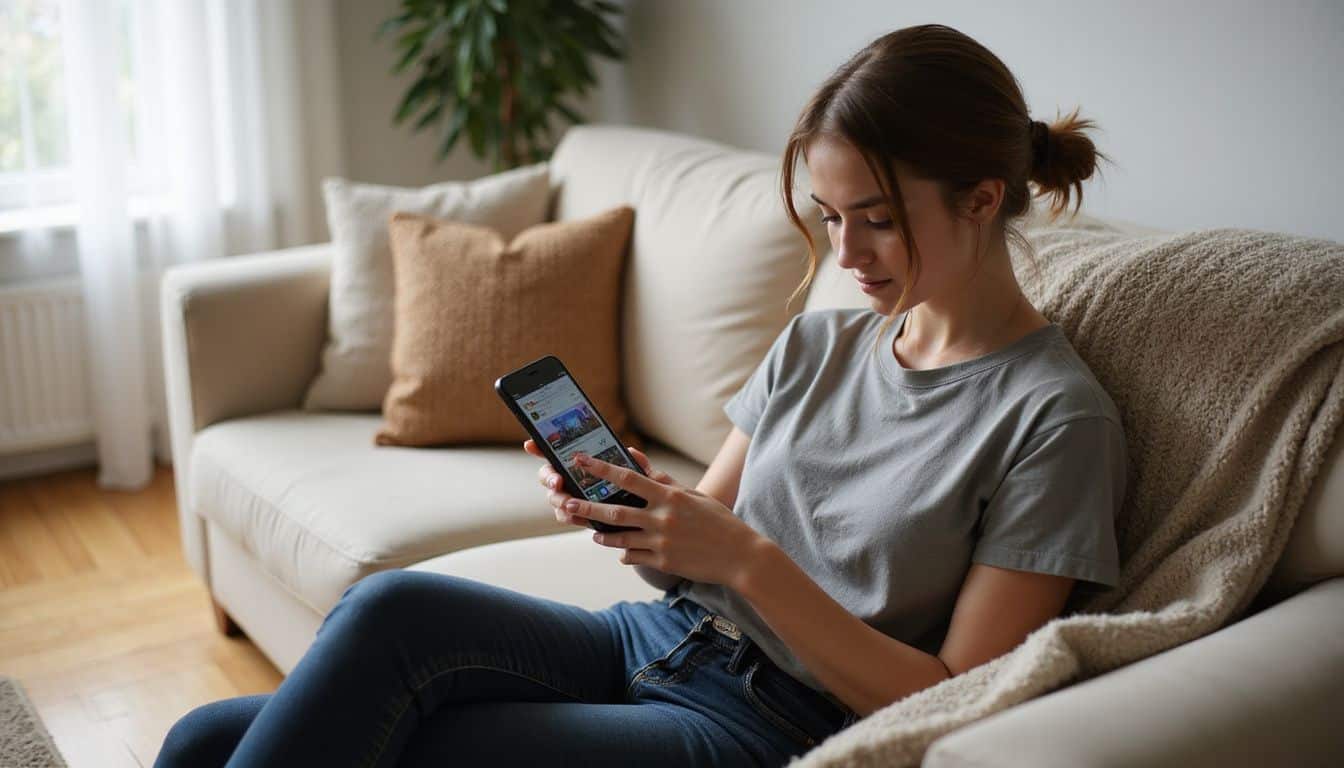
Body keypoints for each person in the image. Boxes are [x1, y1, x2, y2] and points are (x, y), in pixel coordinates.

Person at [155, 22, 1124, 768]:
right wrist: (640, 513)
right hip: (653, 637)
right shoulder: (821, 344)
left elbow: (958, 694)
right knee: (284, 682)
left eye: (875, 220)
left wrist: (745, 561)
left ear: (983, 198)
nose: (844, 254)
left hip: (761, 724)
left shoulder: (1052, 419)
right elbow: (703, 543)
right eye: (830, 217)